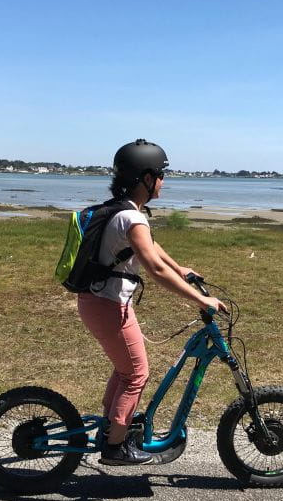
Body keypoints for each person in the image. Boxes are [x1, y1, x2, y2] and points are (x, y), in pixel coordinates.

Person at [78, 139, 227, 465]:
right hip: (107, 305)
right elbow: (155, 268)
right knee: (136, 374)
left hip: (99, 301)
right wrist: (201, 301)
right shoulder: (132, 218)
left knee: (125, 368)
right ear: (145, 178)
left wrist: (182, 269)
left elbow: (154, 251)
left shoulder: (124, 210)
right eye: (160, 174)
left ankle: (111, 426)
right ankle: (116, 447)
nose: (163, 180)